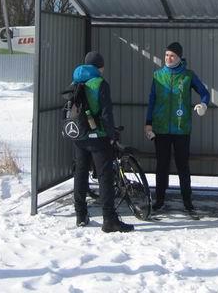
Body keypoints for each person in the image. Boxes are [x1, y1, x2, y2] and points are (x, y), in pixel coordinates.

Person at [71, 50, 134, 233]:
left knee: (80, 173)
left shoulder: (76, 81)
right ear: (100, 67)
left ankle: (80, 215)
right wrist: (112, 136)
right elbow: (106, 114)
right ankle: (109, 220)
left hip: (79, 136)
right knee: (105, 177)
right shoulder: (100, 83)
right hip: (98, 137)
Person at [145, 41, 210, 213]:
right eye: (166, 55)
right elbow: (152, 100)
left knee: (183, 166)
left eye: (172, 55)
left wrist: (203, 105)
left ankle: (187, 201)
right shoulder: (158, 75)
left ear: (179, 57)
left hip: (181, 129)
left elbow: (204, 93)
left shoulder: (188, 76)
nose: (168, 58)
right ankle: (159, 199)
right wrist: (148, 123)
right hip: (160, 129)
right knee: (162, 166)